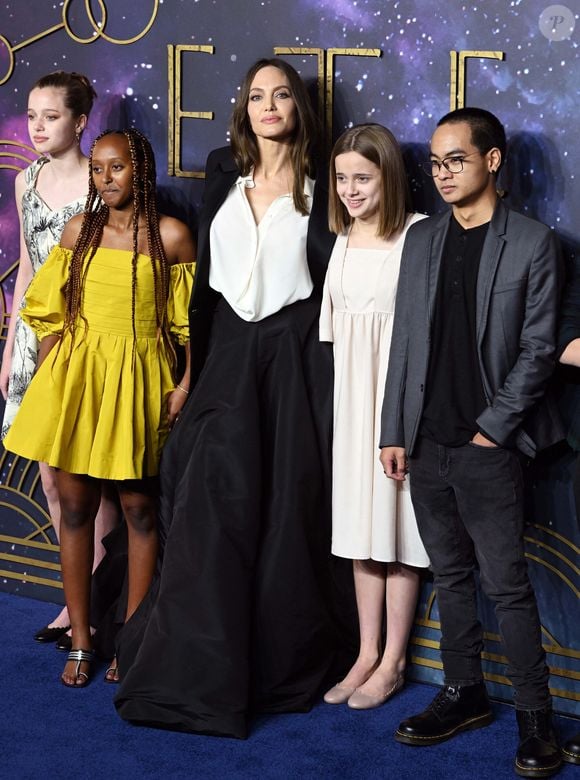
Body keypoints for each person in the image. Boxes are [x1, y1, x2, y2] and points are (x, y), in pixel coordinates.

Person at [115, 57, 347, 739]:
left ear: (299, 107)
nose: (268, 105)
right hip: (223, 362)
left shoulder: (325, 184)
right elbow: (204, 292)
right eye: (256, 95)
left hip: (292, 365)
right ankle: (190, 665)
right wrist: (188, 376)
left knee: (279, 518)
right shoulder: (222, 174)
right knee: (208, 505)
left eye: (281, 95)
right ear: (243, 107)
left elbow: (339, 284)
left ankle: (268, 667)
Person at [379, 107, 563, 777]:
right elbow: (403, 341)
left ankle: (537, 717)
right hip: (426, 442)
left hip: (490, 445)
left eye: (455, 159)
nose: (442, 173)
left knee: (506, 585)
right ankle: (465, 695)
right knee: (450, 576)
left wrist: (495, 428)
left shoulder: (532, 242)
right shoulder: (424, 239)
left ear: (492, 161)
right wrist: (394, 430)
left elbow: (540, 349)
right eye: (434, 163)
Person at [4, 129, 195, 687]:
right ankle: (83, 638)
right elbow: (47, 312)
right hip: (77, 383)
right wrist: (51, 379)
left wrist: (184, 385)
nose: (105, 180)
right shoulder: (77, 232)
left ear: (141, 171)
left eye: (116, 169)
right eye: (97, 169)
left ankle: (132, 638)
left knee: (139, 510)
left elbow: (191, 328)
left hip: (139, 381)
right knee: (76, 508)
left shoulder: (172, 236)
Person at [0, 71, 119, 646]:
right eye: (31, 115)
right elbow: (25, 264)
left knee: (89, 480)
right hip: (31, 341)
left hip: (82, 343)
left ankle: (98, 598)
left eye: (50, 116)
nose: (38, 126)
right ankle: (74, 598)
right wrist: (9, 347)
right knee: (50, 479)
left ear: (79, 122)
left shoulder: (101, 187)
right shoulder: (25, 180)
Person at [319, 124, 429, 710]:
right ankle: (365, 653)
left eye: (362, 178)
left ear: (389, 176)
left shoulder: (419, 236)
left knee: (398, 531)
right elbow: (336, 336)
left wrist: (406, 419)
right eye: (341, 179)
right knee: (362, 532)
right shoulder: (340, 239)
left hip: (396, 406)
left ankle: (394, 661)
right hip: (351, 403)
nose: (350, 190)